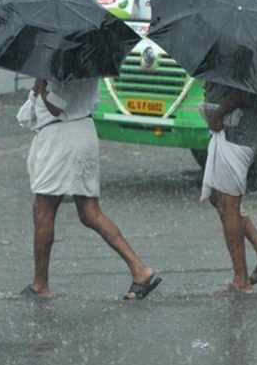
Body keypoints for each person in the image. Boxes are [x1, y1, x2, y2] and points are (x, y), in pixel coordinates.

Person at [19, 77, 161, 300]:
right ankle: (139, 269)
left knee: (43, 212)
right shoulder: (87, 58)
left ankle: (40, 284)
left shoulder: (61, 60)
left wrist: (42, 86)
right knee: (89, 212)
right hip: (82, 131)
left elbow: (56, 107)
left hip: (61, 137)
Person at [200, 81, 257, 293]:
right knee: (217, 198)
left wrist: (218, 115)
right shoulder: (231, 52)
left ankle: (242, 280)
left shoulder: (240, 53)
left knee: (229, 205)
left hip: (237, 135)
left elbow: (241, 94)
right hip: (229, 134)